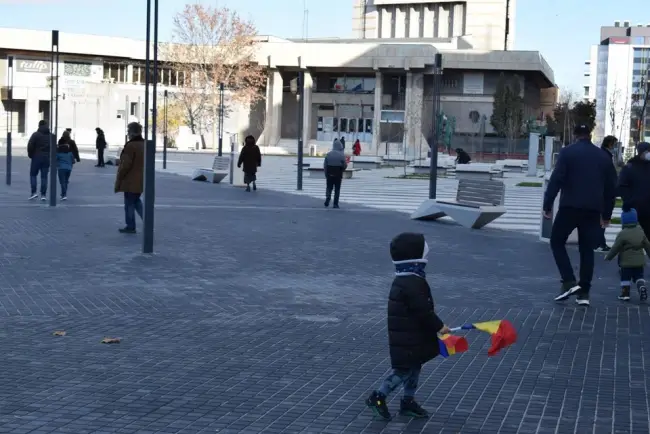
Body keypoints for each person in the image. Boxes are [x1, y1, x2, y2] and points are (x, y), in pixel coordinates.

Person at [365, 232, 450, 421]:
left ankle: (408, 401)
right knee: (403, 370)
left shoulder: (407, 279)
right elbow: (423, 311)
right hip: (408, 337)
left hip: (411, 335)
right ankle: (378, 396)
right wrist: (440, 326)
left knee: (414, 367)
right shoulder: (412, 282)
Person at [543, 124, 617, 306]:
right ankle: (584, 293)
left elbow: (556, 179)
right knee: (587, 249)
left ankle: (568, 280)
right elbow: (611, 189)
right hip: (593, 209)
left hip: (570, 206)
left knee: (557, 241)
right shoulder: (603, 156)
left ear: (575, 135)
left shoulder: (568, 153)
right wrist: (607, 214)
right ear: (590, 135)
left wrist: (548, 204)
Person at [605, 207, 650, 302]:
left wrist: (608, 257)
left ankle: (625, 294)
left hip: (626, 262)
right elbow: (647, 245)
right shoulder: (641, 231)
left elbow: (615, 248)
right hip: (639, 261)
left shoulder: (622, 234)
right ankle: (641, 286)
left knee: (625, 278)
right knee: (639, 276)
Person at [114, 122, 145, 234]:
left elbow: (126, 164)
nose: (127, 133)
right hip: (141, 179)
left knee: (129, 204)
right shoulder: (144, 144)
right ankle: (147, 221)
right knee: (136, 201)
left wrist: (120, 176)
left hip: (130, 180)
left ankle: (131, 226)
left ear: (132, 132)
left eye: (128, 131)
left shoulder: (131, 146)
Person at [618, 142, 650, 240]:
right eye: (648, 151)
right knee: (630, 240)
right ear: (641, 152)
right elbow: (621, 186)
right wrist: (628, 200)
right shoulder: (630, 167)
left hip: (648, 211)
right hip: (633, 209)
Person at [596, 135, 619, 252]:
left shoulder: (605, 155)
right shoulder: (605, 156)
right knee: (603, 218)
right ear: (610, 144)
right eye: (615, 144)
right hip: (606, 193)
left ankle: (599, 242)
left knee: (603, 218)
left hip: (606, 192)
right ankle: (600, 242)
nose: (615, 147)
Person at [26, 120, 55, 201]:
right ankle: (43, 195)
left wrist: (31, 155)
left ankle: (34, 192)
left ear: (39, 126)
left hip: (36, 157)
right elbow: (54, 148)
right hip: (46, 159)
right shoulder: (51, 136)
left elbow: (30, 145)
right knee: (44, 177)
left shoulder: (35, 135)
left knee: (33, 175)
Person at [56, 130, 80, 200]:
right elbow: (76, 150)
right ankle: (64, 193)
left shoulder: (60, 141)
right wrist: (77, 158)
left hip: (61, 165)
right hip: (69, 161)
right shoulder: (71, 141)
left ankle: (63, 194)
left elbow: (57, 152)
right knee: (66, 180)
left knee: (62, 181)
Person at [323, 138, 347, 209]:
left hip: (329, 173)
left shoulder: (328, 154)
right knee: (337, 189)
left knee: (329, 187)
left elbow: (325, 165)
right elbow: (345, 165)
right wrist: (342, 169)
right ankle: (335, 204)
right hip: (338, 174)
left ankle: (328, 197)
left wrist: (326, 174)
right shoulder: (341, 155)